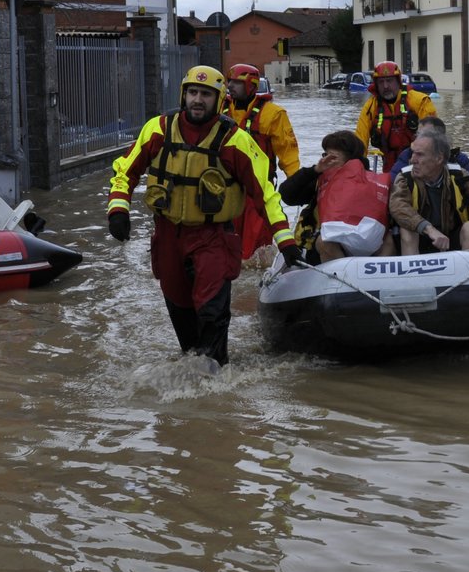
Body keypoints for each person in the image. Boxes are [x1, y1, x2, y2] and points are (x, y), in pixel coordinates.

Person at [106, 65, 300, 366]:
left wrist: (285, 239)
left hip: (213, 237)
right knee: (178, 307)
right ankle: (192, 369)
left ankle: (214, 376)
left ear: (219, 99)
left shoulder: (235, 141)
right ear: (184, 95)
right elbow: (124, 170)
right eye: (193, 93)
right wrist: (118, 208)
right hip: (168, 233)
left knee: (212, 310)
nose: (198, 100)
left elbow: (265, 193)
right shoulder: (157, 129)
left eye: (206, 94)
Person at [391, 128, 469, 258]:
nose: (412, 160)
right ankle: (412, 274)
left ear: (438, 159)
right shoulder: (405, 178)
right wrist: (429, 229)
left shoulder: (461, 177)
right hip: (420, 239)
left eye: (419, 155)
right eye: (413, 153)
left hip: (451, 241)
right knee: (407, 229)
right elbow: (398, 207)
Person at [222, 63, 301, 262]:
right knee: (223, 244)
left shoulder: (273, 114)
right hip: (223, 188)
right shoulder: (219, 109)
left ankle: (252, 288)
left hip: (257, 189)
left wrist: (298, 183)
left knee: (256, 249)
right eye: (229, 81)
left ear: (251, 85)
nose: (230, 86)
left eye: (236, 83)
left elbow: (288, 153)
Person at [280, 130, 395, 264]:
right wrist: (314, 170)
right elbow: (287, 196)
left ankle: (378, 277)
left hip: (366, 238)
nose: (326, 160)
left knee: (389, 241)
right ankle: (341, 278)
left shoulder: (373, 182)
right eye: (325, 155)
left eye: (332, 157)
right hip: (328, 242)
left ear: (351, 159)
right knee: (325, 242)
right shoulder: (320, 179)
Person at [353, 60, 437, 173]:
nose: (386, 86)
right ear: (376, 85)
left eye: (389, 81)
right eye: (381, 82)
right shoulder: (370, 107)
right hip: (389, 166)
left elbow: (433, 137)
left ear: (398, 82)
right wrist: (358, 167)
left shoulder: (420, 101)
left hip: (417, 164)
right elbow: (360, 139)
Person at [387, 115, 469, 183]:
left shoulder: (459, 159)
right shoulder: (407, 154)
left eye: (426, 134)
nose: (420, 138)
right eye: (418, 134)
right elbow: (392, 181)